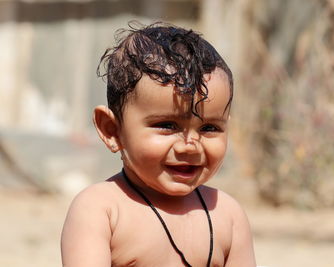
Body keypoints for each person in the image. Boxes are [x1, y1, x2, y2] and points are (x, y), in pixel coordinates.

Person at [61, 22, 257, 267]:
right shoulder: (102, 210)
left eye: (209, 128)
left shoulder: (227, 216)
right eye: (167, 125)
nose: (190, 145)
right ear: (112, 130)